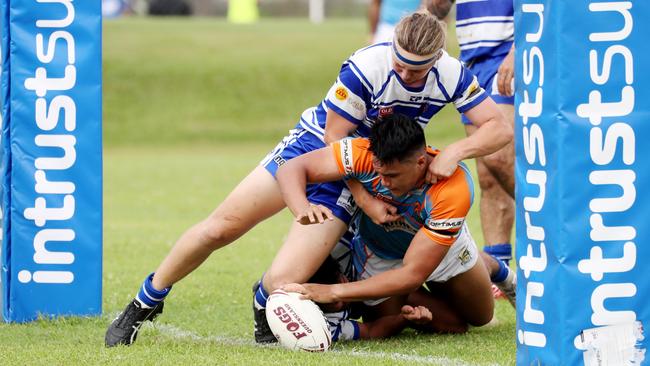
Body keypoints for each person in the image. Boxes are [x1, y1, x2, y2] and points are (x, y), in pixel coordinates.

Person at [105, 11, 512, 347]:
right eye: (400, 64)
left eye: (416, 70)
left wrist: (458, 151)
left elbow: (498, 127)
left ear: (437, 60)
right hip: (317, 150)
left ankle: (266, 300)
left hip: (365, 164)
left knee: (284, 280)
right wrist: (366, 199)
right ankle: (146, 301)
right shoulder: (366, 67)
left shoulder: (452, 74)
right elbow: (334, 138)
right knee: (222, 226)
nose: (405, 74)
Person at [278, 114, 515, 331]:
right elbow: (291, 168)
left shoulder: (453, 188)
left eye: (392, 176)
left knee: (480, 317)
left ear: (421, 162)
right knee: (447, 326)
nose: (383, 183)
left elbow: (412, 273)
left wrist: (332, 291)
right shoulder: (360, 153)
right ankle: (405, 294)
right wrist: (302, 207)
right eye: (379, 172)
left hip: (441, 251)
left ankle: (494, 267)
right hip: (381, 254)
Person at [429, 0, 516, 267]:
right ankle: (499, 266)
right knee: (488, 176)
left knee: (498, 157)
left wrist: (519, 50)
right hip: (473, 57)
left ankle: (554, 224)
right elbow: (438, 7)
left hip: (507, 52)